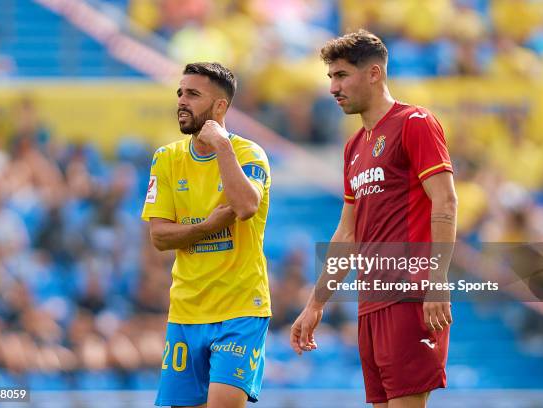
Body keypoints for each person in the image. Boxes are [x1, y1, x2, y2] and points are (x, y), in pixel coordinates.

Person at [290, 30, 457, 408]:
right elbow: (347, 231)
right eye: (330, 77)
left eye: (342, 75)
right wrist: (316, 303)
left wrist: (437, 281)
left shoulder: (415, 122)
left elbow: (445, 202)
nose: (333, 87)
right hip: (372, 302)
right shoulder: (353, 147)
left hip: (410, 294)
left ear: (374, 73)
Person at [141, 62, 272, 408]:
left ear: (220, 108)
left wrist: (223, 147)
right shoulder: (166, 158)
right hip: (186, 311)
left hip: (240, 308)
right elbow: (160, 237)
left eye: (193, 95)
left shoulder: (248, 154)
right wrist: (207, 227)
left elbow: (245, 207)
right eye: (180, 93)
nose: (182, 101)